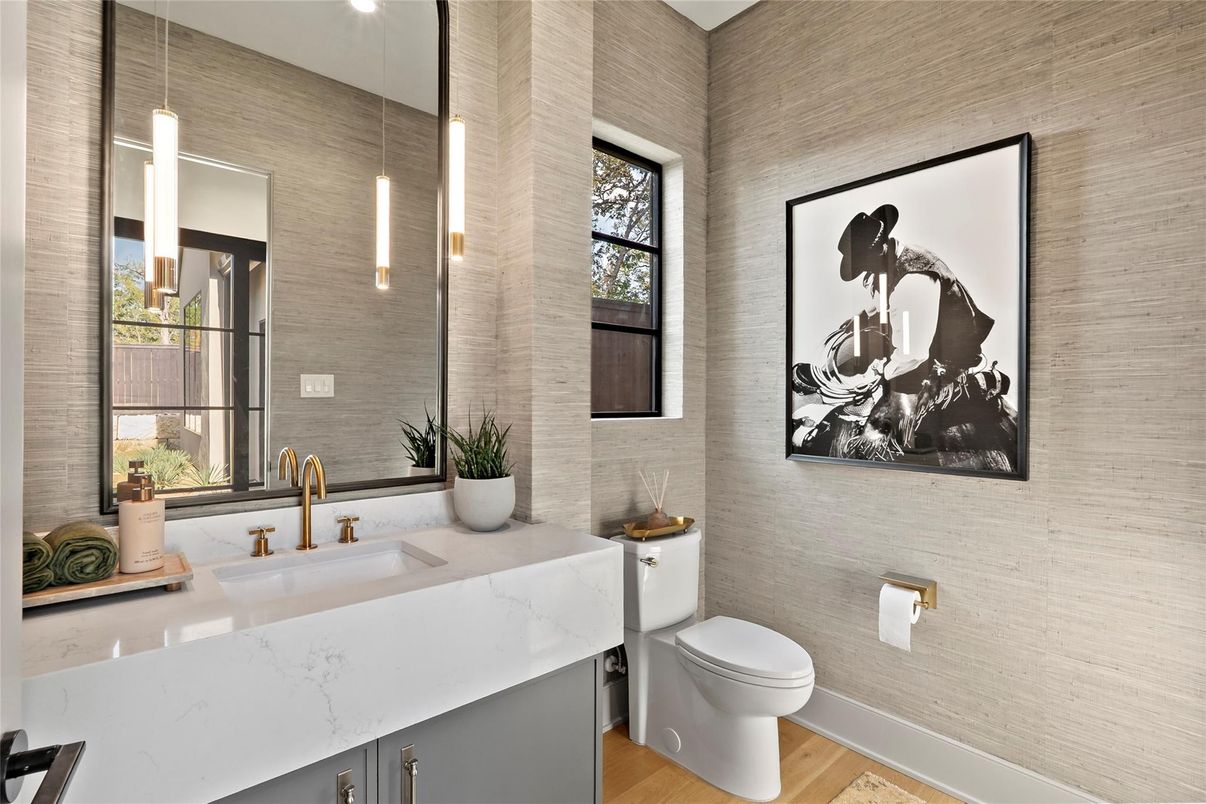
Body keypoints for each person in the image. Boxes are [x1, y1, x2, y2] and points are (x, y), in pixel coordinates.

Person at [792, 204, 1018, 472]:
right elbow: (888, 303)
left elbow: (912, 354)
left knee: (879, 433)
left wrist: (884, 373)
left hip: (942, 357)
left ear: (879, 251)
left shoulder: (913, 282)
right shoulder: (894, 260)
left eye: (864, 265)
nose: (865, 273)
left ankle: (963, 389)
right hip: (924, 342)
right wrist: (863, 317)